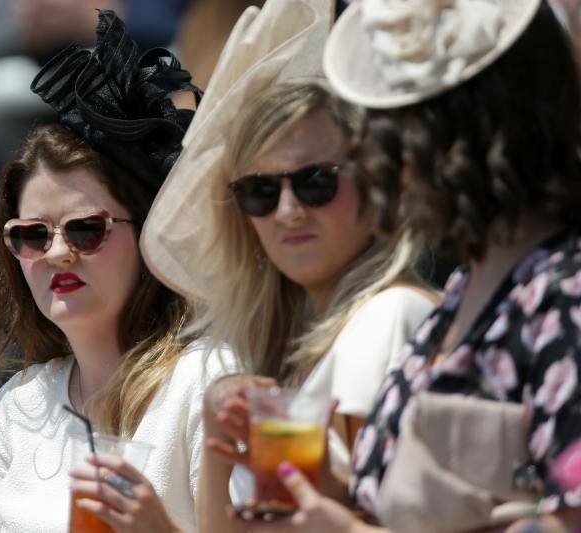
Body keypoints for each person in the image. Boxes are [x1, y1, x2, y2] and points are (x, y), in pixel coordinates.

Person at [234, 0, 581, 531]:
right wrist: (322, 486)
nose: (378, 158)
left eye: (398, 130)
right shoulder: (467, 290)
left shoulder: (565, 293)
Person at [139, 0, 437, 530]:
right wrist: (217, 447)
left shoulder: (387, 317)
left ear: (376, 184)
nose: (289, 210)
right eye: (259, 192)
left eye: (316, 180)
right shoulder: (284, 353)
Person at [0, 10, 232, 532]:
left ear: (147, 236)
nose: (57, 253)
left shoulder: (205, 382)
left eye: (87, 229)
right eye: (32, 235)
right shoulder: (18, 405)